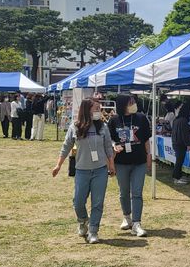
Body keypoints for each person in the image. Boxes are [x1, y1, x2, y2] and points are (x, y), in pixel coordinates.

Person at [52, 98, 115, 244]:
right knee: (78, 201)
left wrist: (111, 165)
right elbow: (66, 146)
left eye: (100, 109)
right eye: (96, 109)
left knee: (97, 202)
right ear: (87, 110)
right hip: (82, 170)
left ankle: (93, 231)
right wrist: (58, 165)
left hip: (100, 170)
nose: (99, 112)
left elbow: (108, 148)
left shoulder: (103, 127)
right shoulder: (75, 127)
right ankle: (82, 220)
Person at [109, 94, 151, 237]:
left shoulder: (141, 118)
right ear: (123, 105)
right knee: (124, 191)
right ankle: (127, 217)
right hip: (121, 162)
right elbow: (109, 140)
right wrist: (114, 146)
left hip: (139, 161)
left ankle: (137, 223)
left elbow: (146, 140)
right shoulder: (114, 120)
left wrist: (149, 156)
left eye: (134, 101)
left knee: (137, 193)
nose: (134, 104)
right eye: (130, 102)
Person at [171, 102, 190, 185]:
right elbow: (185, 134)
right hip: (180, 144)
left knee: (179, 160)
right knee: (179, 161)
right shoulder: (183, 121)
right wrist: (188, 144)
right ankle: (176, 177)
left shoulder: (177, 119)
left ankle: (178, 176)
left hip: (176, 142)